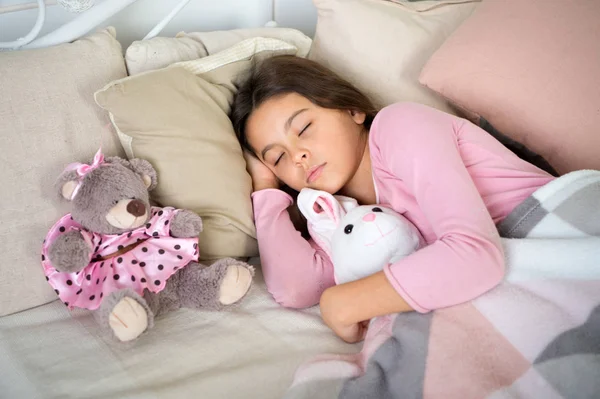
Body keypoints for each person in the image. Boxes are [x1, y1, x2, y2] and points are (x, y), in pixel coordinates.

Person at [230, 55, 555, 343]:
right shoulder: (337, 218)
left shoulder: (400, 126)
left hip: (557, 223)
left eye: (303, 128)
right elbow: (296, 290)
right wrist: (265, 189)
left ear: (352, 109)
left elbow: (477, 255)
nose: (298, 156)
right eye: (277, 158)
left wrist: (343, 302)